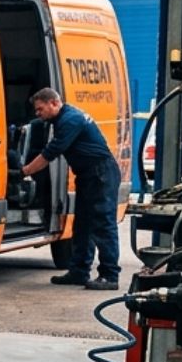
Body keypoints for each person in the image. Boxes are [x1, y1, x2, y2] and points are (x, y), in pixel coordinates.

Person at [23, 86, 122, 291]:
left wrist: (24, 171)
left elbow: (51, 152)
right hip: (88, 175)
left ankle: (109, 275)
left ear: (54, 103)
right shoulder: (62, 119)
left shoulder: (70, 120)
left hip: (100, 173)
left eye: (40, 109)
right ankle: (79, 271)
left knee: (103, 224)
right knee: (82, 224)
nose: (38, 114)